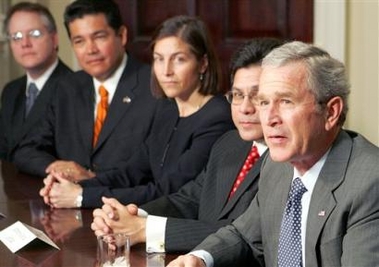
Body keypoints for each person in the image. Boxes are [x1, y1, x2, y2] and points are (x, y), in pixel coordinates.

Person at [167, 41, 379, 267]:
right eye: (264, 102)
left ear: (331, 112)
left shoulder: (369, 182)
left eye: (286, 101)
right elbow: (243, 235)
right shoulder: (276, 165)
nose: (269, 118)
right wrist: (200, 259)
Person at [90, 38, 284, 254]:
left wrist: (146, 229)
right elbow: (188, 199)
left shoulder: (289, 159)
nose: (245, 108)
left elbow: (243, 233)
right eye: (238, 95)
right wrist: (130, 216)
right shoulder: (230, 143)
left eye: (257, 97)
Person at [38, 15, 235, 209]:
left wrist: (82, 196)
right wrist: (71, 186)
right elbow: (131, 172)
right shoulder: (167, 109)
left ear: (203, 63)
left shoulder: (217, 117)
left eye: (179, 59)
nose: (166, 71)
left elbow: (168, 191)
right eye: (159, 59)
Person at [13, 0, 157, 181]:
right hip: (66, 203)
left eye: (99, 37)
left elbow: (155, 171)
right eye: (79, 41)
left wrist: (92, 180)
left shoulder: (155, 87)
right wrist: (57, 168)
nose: (90, 49)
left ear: (122, 35)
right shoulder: (67, 87)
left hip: (128, 205)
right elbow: (26, 150)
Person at [0, 2, 72, 161]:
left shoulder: (74, 89)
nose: (24, 43)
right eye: (16, 37)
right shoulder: (10, 91)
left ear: (54, 39)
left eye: (34, 33)